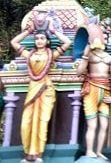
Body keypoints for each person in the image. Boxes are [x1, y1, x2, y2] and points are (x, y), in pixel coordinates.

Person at [11, 16, 73, 163]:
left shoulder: (52, 55)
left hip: (46, 90)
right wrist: (28, 31)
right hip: (32, 89)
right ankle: (28, 154)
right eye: (37, 38)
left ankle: (37, 154)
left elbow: (68, 42)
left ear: (47, 41)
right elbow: (13, 42)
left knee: (42, 121)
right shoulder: (29, 54)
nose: (39, 40)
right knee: (26, 122)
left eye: (42, 38)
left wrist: (53, 31)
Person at [76, 22, 111, 159]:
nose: (103, 40)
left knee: (104, 125)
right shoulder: (89, 56)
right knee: (92, 124)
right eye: (102, 37)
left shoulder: (109, 58)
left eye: (105, 38)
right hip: (92, 90)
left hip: (105, 91)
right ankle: (89, 150)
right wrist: (85, 54)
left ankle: (99, 151)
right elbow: (79, 72)